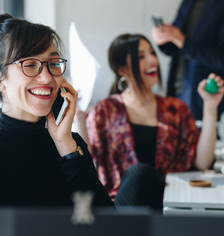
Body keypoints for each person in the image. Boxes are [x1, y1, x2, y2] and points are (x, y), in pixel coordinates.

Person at [0, 13, 114, 207]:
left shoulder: (70, 145)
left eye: (53, 64)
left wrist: (65, 145)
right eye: (31, 65)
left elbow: (105, 224)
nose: (47, 78)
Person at [75, 33, 224, 208]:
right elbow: (85, 161)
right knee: (139, 174)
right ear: (122, 70)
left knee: (142, 173)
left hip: (167, 199)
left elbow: (202, 162)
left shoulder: (176, 109)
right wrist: (78, 116)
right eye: (141, 56)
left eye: (152, 53)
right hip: (119, 202)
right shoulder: (105, 110)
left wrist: (210, 107)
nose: (152, 60)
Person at [151, 0, 224, 121]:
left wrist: (183, 41)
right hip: (175, 91)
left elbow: (220, 59)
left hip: (202, 97)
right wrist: (164, 38)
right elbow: (175, 46)